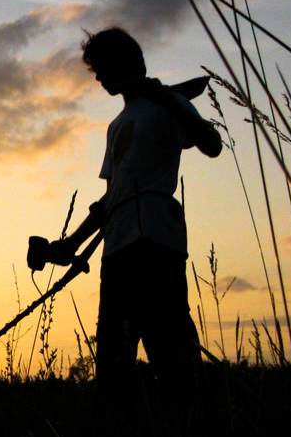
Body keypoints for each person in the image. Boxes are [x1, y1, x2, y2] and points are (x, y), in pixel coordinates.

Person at [47, 27, 222, 395]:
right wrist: (72, 243)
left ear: (120, 64)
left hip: (155, 240)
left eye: (100, 67)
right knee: (113, 361)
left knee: (172, 355)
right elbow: (112, 197)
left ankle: (196, 434)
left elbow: (211, 144)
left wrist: (169, 100)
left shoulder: (166, 103)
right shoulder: (116, 125)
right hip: (117, 250)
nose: (96, 77)